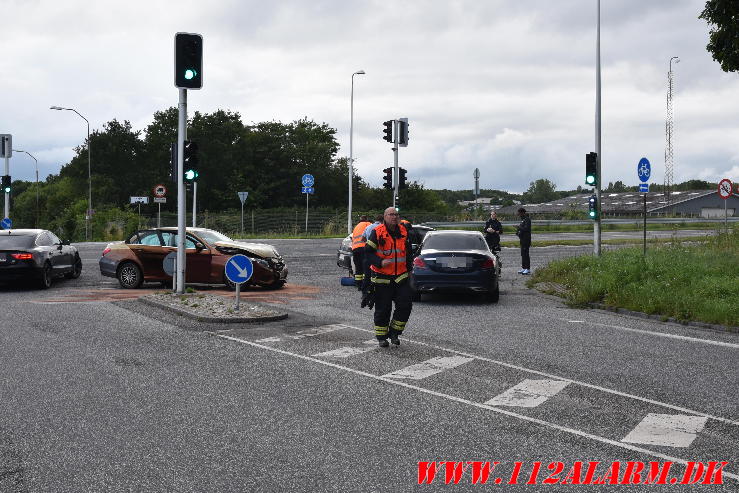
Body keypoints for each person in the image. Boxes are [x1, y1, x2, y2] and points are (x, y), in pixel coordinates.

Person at [363, 207, 413, 347]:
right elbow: (368, 253)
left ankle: (394, 332)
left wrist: (410, 270)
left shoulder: (404, 231)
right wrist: (380, 262)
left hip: (401, 277)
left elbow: (408, 253)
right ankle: (381, 337)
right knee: (383, 309)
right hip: (382, 278)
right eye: (391, 214)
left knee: (405, 306)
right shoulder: (377, 232)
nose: (394, 217)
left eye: (396, 214)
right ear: (384, 217)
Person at [359, 214, 383, 292]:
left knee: (367, 272)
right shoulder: (383, 227)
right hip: (378, 253)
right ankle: (376, 289)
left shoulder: (368, 227)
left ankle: (365, 290)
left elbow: (362, 239)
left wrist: (369, 242)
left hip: (368, 251)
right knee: (377, 273)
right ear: (382, 220)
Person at [350, 215, 372, 288]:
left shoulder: (356, 226)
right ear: (367, 219)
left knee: (358, 267)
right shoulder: (368, 224)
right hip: (363, 248)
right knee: (365, 267)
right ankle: (365, 284)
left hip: (355, 249)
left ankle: (358, 284)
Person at [515, 207, 531, 275]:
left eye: (519, 213)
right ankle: (524, 267)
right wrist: (517, 232)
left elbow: (526, 229)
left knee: (526, 254)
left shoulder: (527, 220)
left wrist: (519, 227)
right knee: (522, 254)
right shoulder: (523, 220)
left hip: (526, 240)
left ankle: (527, 269)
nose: (519, 215)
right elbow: (521, 229)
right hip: (522, 239)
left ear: (523, 213)